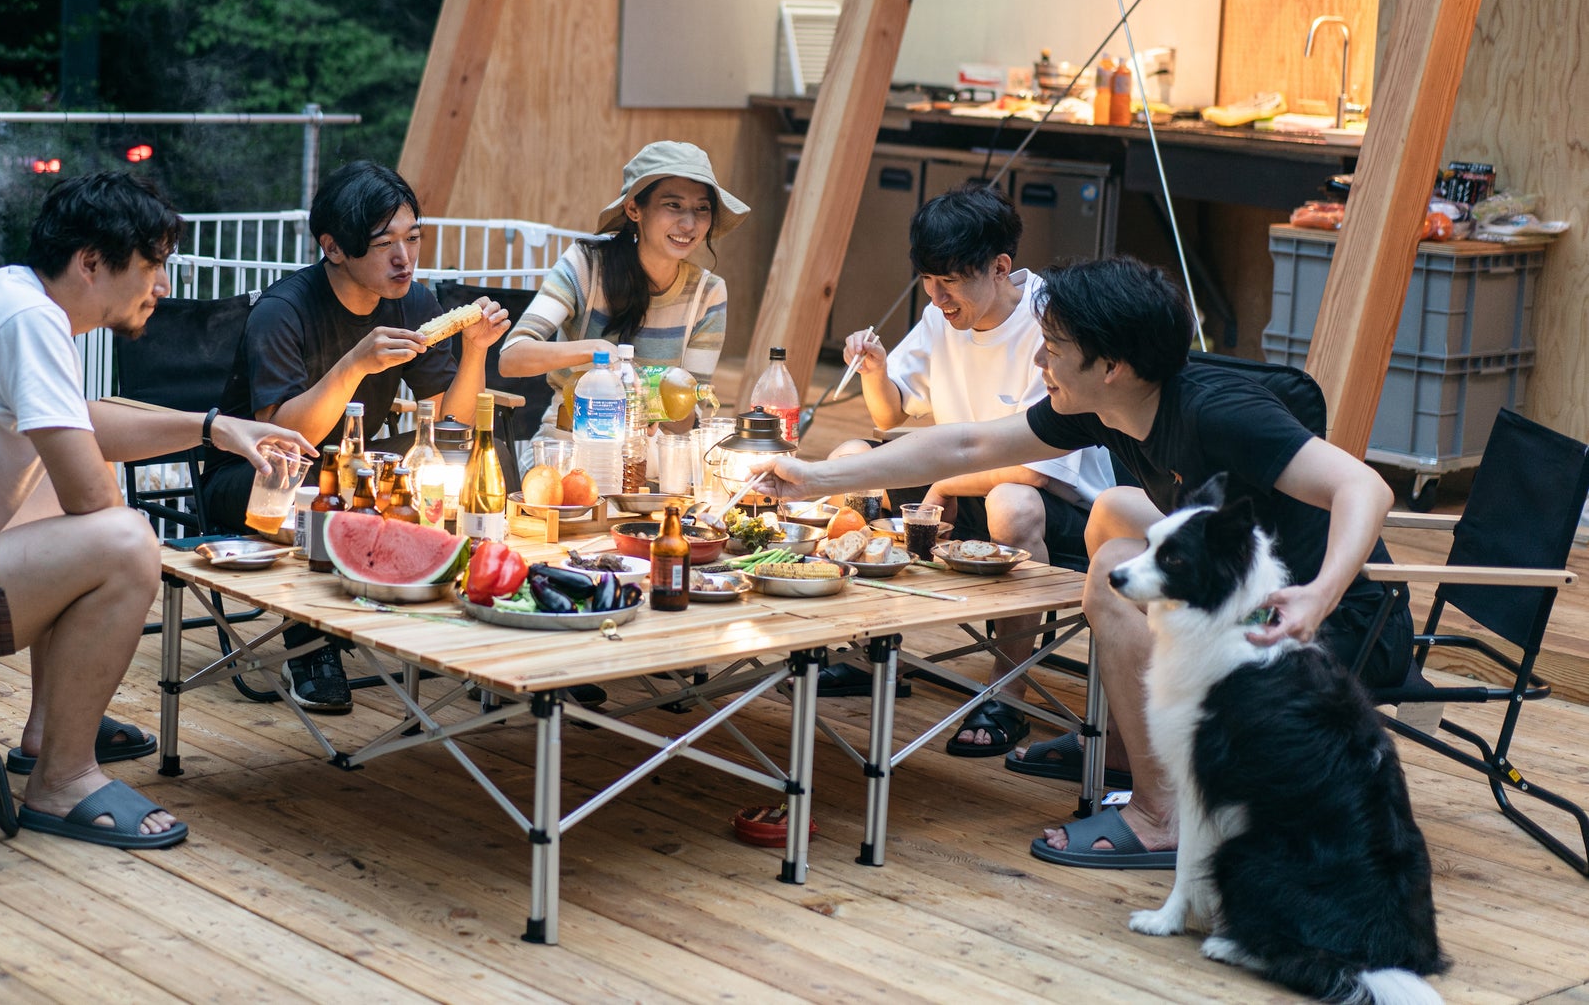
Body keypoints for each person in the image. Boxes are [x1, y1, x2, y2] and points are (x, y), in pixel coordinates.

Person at [762, 256, 1411, 870]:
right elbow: (967, 443)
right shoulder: (1108, 408)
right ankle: (1129, 757)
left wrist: (1321, 593)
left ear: (1113, 366)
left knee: (1111, 574)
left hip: (1326, 622)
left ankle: (1162, 819)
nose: (1040, 358)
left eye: (1055, 346)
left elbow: (1365, 488)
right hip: (1231, 586)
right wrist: (816, 476)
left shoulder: (1222, 412)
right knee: (1113, 515)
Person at [0, 172, 311, 850]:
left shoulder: (13, 294)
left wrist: (217, 427)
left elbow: (79, 426)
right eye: (153, 265)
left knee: (90, 480)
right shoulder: (29, 320)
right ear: (91, 262)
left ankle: (51, 729)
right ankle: (63, 778)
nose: (163, 286)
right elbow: (92, 507)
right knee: (126, 541)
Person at [199, 160, 508, 712]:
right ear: (334, 247)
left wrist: (478, 349)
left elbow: (452, 422)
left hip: (356, 467)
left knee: (481, 461)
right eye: (384, 242)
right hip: (256, 476)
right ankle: (312, 648)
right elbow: (278, 440)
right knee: (318, 491)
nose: (404, 258)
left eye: (412, 238)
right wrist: (352, 367)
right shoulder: (284, 310)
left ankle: (489, 626)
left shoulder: (413, 302)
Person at [817, 187, 1114, 751]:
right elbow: (891, 411)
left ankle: (1008, 695)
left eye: (950, 280)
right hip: (959, 485)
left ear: (1000, 268)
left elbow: (1037, 467)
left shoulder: (1053, 318)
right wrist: (875, 371)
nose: (937, 295)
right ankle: (866, 653)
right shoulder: (939, 316)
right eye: (929, 279)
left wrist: (943, 483)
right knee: (849, 464)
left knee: (1010, 499)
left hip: (1064, 502)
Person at [498, 141, 746, 441]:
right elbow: (511, 358)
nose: (689, 224)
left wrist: (654, 404)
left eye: (702, 209)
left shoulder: (709, 294)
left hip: (651, 458)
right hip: (568, 446)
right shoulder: (586, 265)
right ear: (633, 209)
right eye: (673, 205)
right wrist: (596, 352)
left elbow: (688, 421)